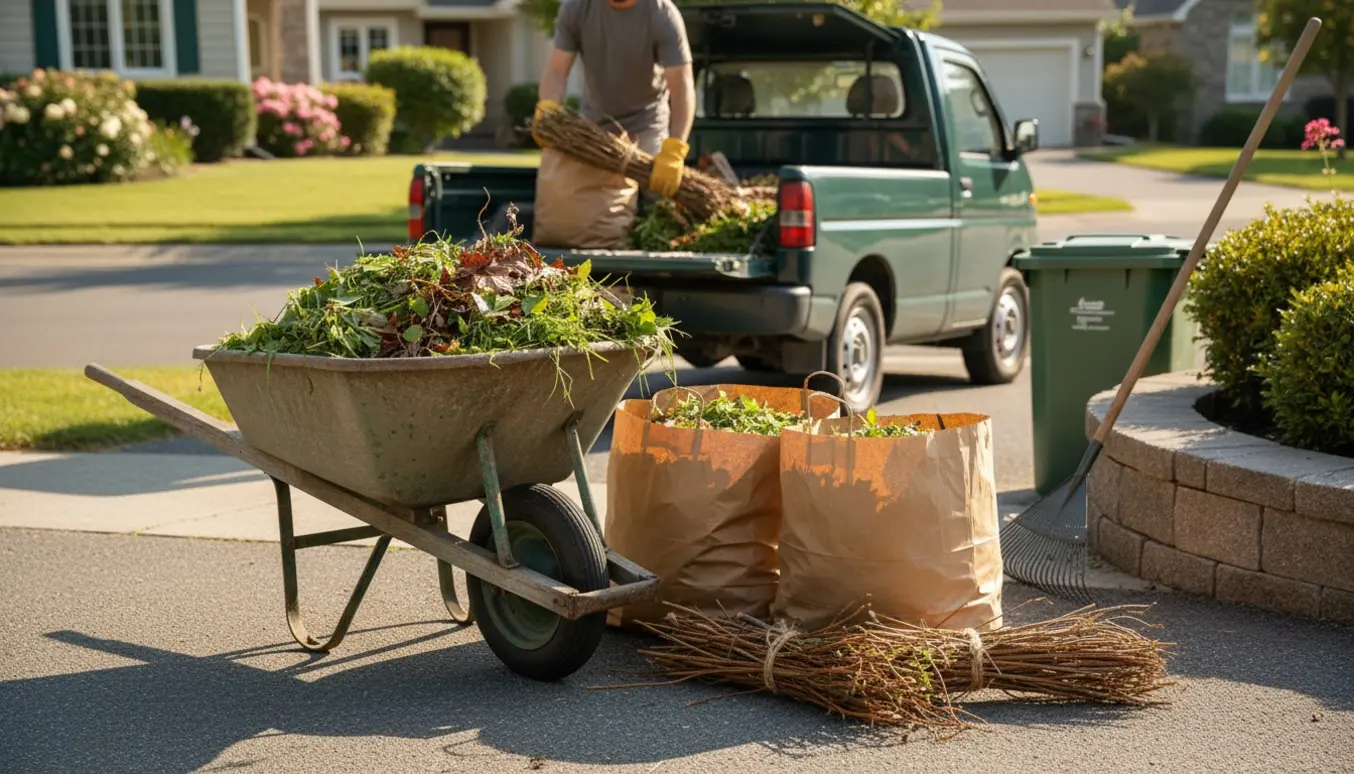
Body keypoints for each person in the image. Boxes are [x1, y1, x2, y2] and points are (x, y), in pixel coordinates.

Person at [531, 0, 696, 199]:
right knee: (581, 201)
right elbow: (557, 70)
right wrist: (548, 110)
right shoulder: (577, 8)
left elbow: (681, 85)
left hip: (646, 127)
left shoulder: (661, 14)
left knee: (655, 197)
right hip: (594, 128)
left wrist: (674, 149)